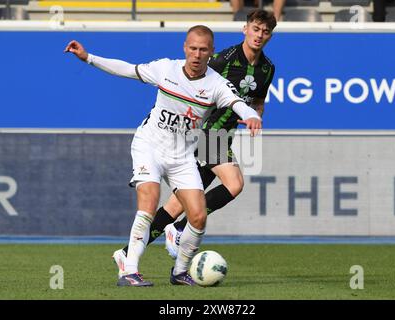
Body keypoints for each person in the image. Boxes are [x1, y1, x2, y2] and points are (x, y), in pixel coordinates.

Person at [65, 25, 262, 287]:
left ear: (210, 52)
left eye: (203, 50)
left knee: (198, 216)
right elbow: (127, 69)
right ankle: (128, 268)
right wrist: (89, 58)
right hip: (150, 146)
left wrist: (251, 116)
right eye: (192, 48)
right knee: (149, 198)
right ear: (185, 48)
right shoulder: (166, 69)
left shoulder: (216, 83)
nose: (197, 54)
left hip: (182, 156)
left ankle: (180, 272)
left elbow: (237, 102)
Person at [113, 9, 276, 274]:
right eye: (255, 29)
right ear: (245, 29)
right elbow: (195, 89)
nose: (259, 36)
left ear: (270, 36)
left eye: (265, 32)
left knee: (177, 205)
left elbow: (258, 101)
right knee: (234, 184)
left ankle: (127, 252)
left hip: (224, 135)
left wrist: (254, 116)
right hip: (207, 134)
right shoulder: (223, 59)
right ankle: (177, 231)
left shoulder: (267, 69)